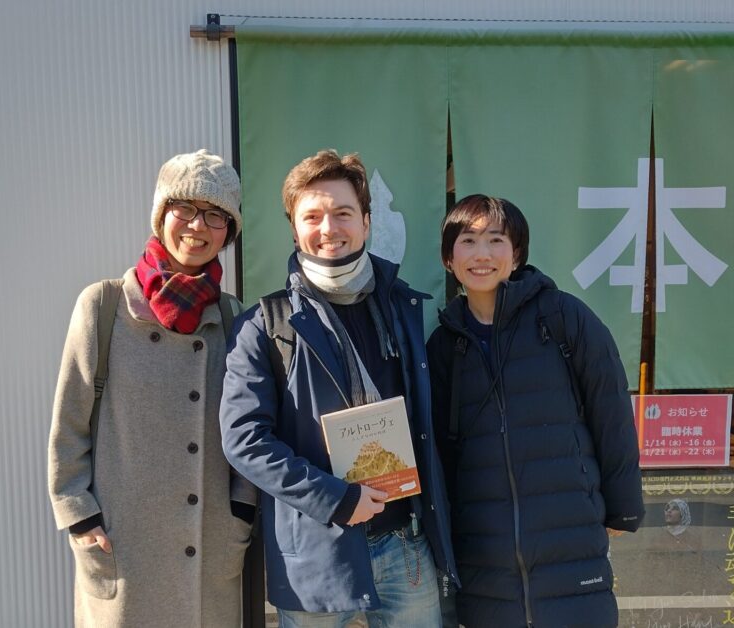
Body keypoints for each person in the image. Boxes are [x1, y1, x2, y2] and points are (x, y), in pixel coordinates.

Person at [220, 149, 457, 627]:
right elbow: (244, 440)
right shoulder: (265, 324)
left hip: (406, 544)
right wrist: (336, 499)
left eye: (343, 213)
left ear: (366, 223)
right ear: (294, 230)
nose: (329, 228)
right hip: (316, 554)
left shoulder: (403, 307)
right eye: (312, 216)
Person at [48, 150, 253, 627]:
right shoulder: (103, 306)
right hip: (123, 549)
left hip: (209, 548)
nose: (198, 226)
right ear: (161, 214)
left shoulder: (232, 317)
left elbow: (250, 429)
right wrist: (80, 518)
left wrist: (241, 513)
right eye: (186, 208)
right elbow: (69, 425)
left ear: (229, 232)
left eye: (216, 215)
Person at [427, 194, 645, 628]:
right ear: (449, 260)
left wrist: (623, 506)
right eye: (468, 241)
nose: (482, 254)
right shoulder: (445, 345)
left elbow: (611, 409)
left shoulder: (563, 317)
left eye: (496, 240)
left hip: (569, 537)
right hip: (484, 554)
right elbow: (440, 452)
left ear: (517, 253)